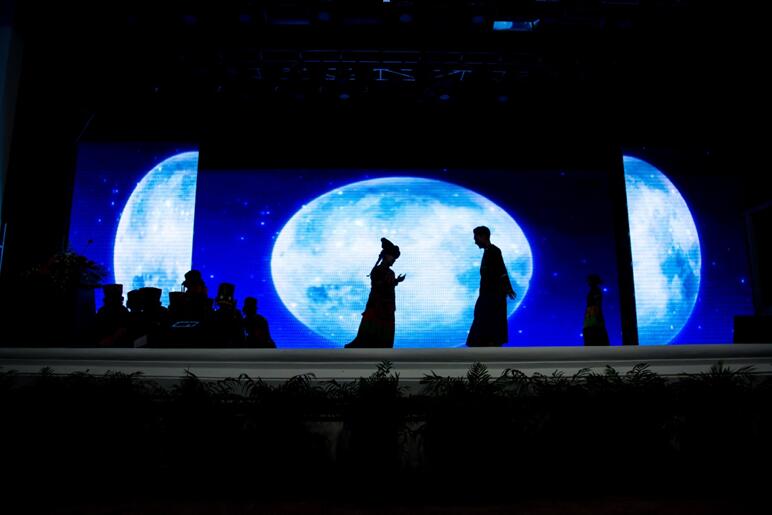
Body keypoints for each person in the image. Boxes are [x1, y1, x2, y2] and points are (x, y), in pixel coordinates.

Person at [345, 237, 406, 348]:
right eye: (392, 257)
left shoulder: (391, 273)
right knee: (369, 335)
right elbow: (378, 285)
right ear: (386, 256)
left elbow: (389, 284)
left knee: (385, 339)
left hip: (388, 309)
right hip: (376, 308)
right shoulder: (377, 270)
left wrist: (397, 280)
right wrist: (390, 281)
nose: (394, 260)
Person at [466, 226, 516, 347]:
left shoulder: (494, 251)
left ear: (483, 236)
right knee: (481, 317)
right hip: (487, 294)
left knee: (489, 318)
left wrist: (508, 288)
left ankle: (490, 342)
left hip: (493, 296)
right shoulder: (488, 252)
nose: (475, 241)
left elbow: (502, 271)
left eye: (476, 238)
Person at [583, 273, 610, 346]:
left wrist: (598, 316)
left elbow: (598, 303)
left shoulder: (596, 291)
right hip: (591, 314)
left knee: (593, 332)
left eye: (589, 281)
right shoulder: (594, 290)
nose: (588, 282)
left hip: (593, 314)